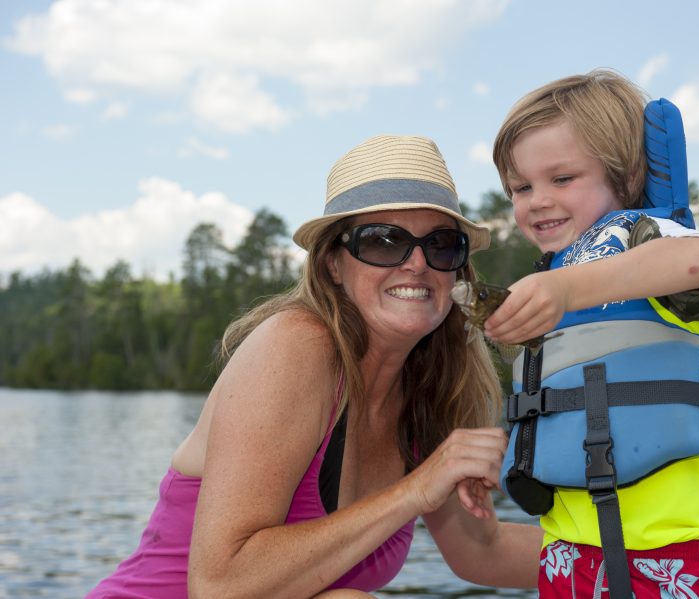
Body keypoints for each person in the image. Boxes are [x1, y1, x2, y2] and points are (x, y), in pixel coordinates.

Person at [86, 134, 543, 598]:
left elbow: (484, 553)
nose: (418, 263)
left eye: (442, 245)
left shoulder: (430, 390)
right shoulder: (296, 345)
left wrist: (617, 552)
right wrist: (416, 489)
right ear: (332, 265)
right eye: (384, 242)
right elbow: (219, 586)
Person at [482, 69, 699, 598]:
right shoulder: (557, 277)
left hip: (664, 555)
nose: (536, 200)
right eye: (520, 187)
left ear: (624, 177)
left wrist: (564, 289)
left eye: (562, 179)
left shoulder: (653, 241)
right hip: (565, 552)